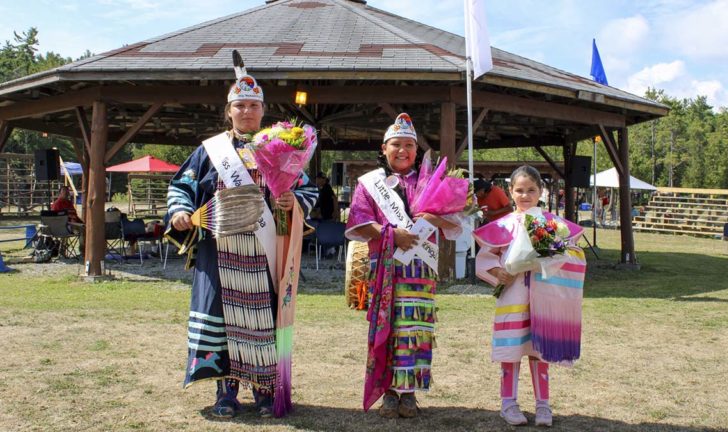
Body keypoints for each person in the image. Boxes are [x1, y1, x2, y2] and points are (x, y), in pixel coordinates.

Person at [165, 52, 318, 419]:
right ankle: (226, 393)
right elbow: (181, 185)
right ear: (228, 110)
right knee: (223, 320)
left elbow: (308, 192)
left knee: (262, 321)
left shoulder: (279, 148)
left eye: (253, 105)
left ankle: (264, 392)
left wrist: (290, 200)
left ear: (263, 110)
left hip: (265, 253)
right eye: (240, 105)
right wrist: (181, 212)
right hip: (220, 252)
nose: (246, 111)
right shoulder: (210, 151)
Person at [345, 113, 461, 419]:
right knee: (388, 325)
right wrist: (391, 234)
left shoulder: (431, 181)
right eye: (396, 144)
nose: (402, 150)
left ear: (415, 150)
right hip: (384, 265)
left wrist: (432, 219)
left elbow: (452, 222)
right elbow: (358, 221)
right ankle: (388, 392)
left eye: (409, 145)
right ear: (384, 148)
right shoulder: (370, 184)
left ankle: (409, 392)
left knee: (415, 328)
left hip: (420, 268)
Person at [473, 165, 586, 427]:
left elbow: (572, 253)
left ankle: (543, 405)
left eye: (531, 190)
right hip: (512, 297)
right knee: (512, 351)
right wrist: (499, 273)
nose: (525, 195)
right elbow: (484, 260)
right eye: (520, 190)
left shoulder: (552, 225)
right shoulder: (502, 226)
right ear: (510, 192)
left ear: (541, 191)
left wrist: (553, 259)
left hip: (544, 298)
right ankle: (508, 403)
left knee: (539, 351)